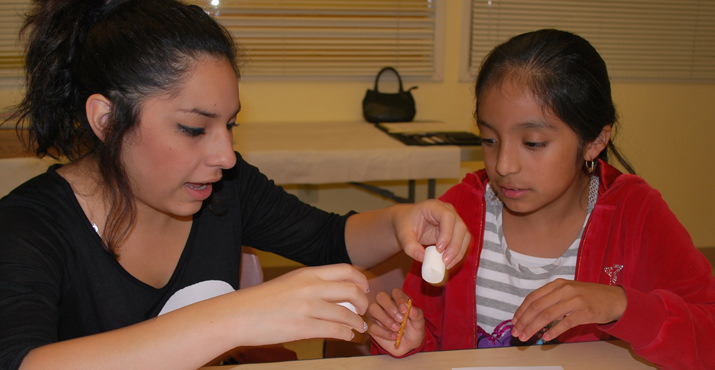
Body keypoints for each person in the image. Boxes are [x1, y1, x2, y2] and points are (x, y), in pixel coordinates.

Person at [0, 0, 471, 369]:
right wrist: (239, 315)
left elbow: (328, 239)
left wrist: (400, 222)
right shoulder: (29, 227)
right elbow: (23, 361)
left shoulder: (223, 189)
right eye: (193, 128)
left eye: (230, 126)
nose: (224, 155)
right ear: (107, 120)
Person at [367, 29, 715, 369]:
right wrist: (409, 341)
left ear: (595, 141)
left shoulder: (636, 214)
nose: (504, 165)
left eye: (533, 143)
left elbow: (707, 337)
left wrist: (620, 305)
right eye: (489, 140)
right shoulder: (458, 212)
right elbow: (427, 335)